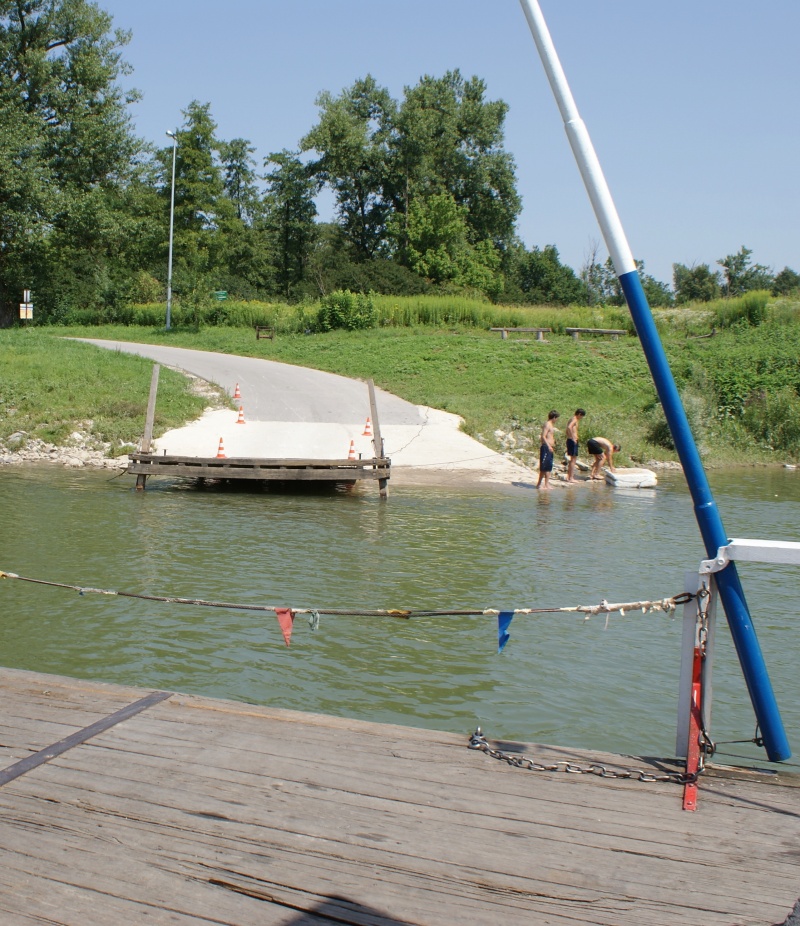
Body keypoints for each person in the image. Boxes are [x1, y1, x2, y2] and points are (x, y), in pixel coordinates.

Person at [536, 410, 559, 490]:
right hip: (546, 447)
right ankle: (539, 484)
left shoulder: (551, 425)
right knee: (544, 466)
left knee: (549, 466)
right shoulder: (547, 424)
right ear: (554, 417)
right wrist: (549, 446)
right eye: (556, 418)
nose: (557, 420)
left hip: (549, 448)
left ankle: (546, 484)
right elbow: (543, 436)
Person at [565, 408, 586, 483]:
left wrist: (569, 436)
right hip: (572, 441)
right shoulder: (574, 419)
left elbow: (567, 428)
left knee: (572, 459)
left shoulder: (571, 419)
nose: (581, 418)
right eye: (582, 416)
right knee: (573, 460)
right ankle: (571, 478)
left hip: (570, 440)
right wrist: (573, 437)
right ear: (579, 414)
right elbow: (569, 427)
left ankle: (569, 477)